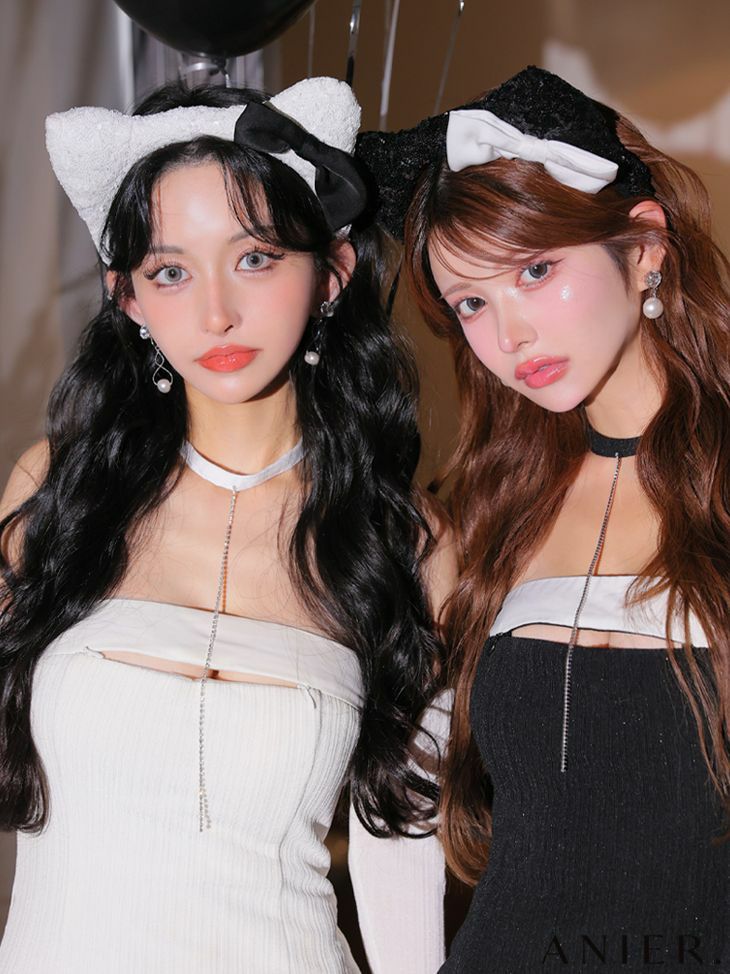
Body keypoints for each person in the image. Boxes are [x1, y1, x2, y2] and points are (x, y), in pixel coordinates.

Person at [0, 77, 450, 973]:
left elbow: (402, 850)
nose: (216, 313)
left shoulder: (405, 539)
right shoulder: (57, 490)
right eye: (171, 271)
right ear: (128, 298)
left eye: (255, 258)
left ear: (332, 272)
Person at [357, 66, 729, 971]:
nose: (508, 335)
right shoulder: (480, 518)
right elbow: (400, 811)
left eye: (535, 270)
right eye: (471, 303)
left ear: (645, 245)